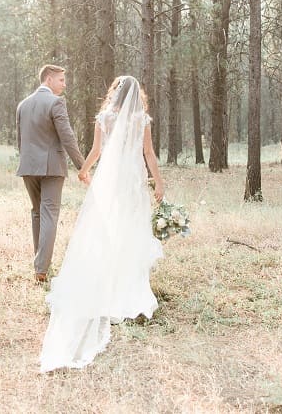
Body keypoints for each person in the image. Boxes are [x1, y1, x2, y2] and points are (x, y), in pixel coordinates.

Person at [39, 75, 165, 373]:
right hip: (131, 181)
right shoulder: (140, 119)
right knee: (129, 232)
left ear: (115, 93)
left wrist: (84, 170)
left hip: (109, 183)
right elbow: (148, 154)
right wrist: (158, 182)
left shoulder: (104, 117)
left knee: (105, 231)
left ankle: (107, 284)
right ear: (137, 96)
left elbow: (96, 152)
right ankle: (127, 288)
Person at [16, 64, 86, 283]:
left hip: (28, 166)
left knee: (37, 213)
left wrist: (27, 160)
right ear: (48, 79)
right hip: (52, 167)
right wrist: (82, 167)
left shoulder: (23, 104)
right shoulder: (56, 102)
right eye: (61, 80)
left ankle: (40, 264)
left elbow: (21, 140)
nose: (64, 84)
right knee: (49, 215)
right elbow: (68, 137)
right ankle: (41, 270)